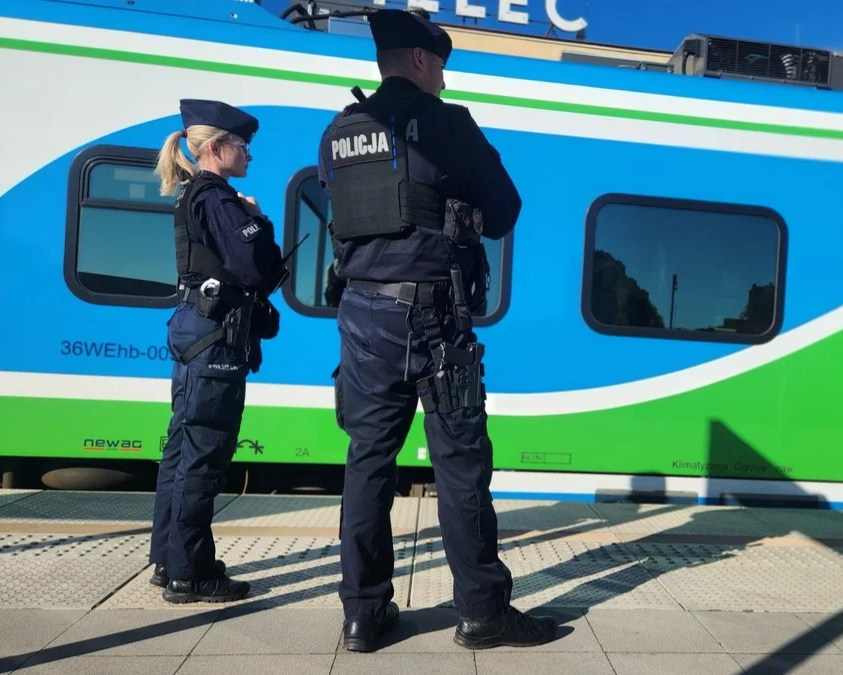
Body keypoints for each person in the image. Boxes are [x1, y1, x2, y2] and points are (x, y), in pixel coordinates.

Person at [318, 8, 557, 653]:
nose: (445, 80)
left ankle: (363, 614)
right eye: (442, 66)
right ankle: (481, 611)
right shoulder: (449, 124)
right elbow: (505, 211)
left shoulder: (337, 133)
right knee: (459, 463)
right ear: (421, 60)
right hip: (434, 319)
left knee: (368, 462)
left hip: (362, 318)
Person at [148, 99, 287, 604]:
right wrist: (258, 219)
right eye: (242, 145)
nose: (249, 154)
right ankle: (191, 574)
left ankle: (170, 560)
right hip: (215, 342)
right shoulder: (219, 199)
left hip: (195, 334)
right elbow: (260, 270)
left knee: (181, 451)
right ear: (215, 148)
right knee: (204, 456)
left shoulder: (193, 194)